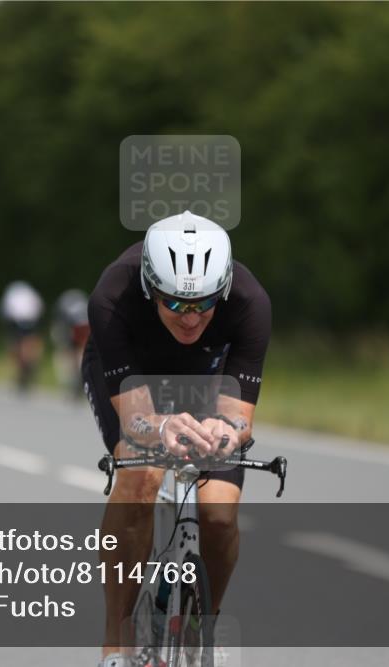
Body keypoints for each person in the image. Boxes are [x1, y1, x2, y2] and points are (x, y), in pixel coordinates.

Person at [82, 211, 271, 667]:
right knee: (142, 475)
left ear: (223, 289)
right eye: (175, 303)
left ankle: (203, 624)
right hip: (134, 377)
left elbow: (238, 416)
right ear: (150, 288)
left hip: (207, 381)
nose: (191, 318)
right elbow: (136, 418)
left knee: (219, 513)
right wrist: (162, 427)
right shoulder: (112, 294)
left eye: (204, 304)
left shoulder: (250, 302)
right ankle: (115, 643)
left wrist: (225, 432)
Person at [0, 280, 44, 393]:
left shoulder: (13, 293)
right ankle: (29, 363)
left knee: (16, 346)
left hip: (18, 321)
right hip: (29, 320)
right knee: (28, 343)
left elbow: (5, 311)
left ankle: (24, 366)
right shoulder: (28, 293)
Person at [51, 288, 91, 399]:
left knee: (71, 355)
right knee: (74, 354)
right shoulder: (79, 306)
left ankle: (77, 380)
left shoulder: (67, 308)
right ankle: (77, 380)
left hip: (74, 329)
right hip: (75, 329)